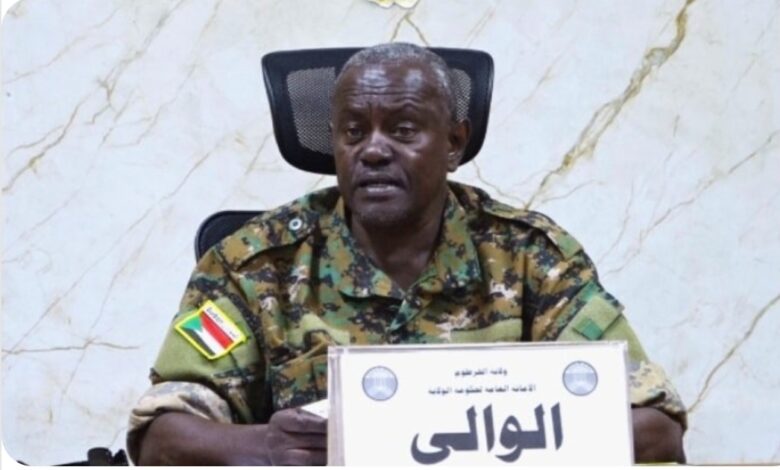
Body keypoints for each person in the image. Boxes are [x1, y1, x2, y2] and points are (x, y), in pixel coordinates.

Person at [128, 43, 686, 465]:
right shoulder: (254, 265)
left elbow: (656, 430)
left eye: (403, 130)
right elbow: (161, 436)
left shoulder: (529, 257)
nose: (373, 150)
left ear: (454, 143)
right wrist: (264, 447)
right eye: (353, 132)